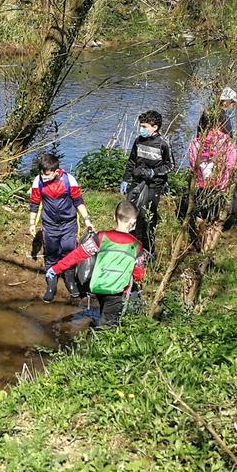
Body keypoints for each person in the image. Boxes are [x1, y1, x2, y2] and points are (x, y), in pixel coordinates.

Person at [46, 201, 146, 329]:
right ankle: (98, 341)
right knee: (108, 324)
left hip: (98, 287)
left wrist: (55, 269)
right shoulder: (136, 246)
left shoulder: (101, 237)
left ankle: (96, 328)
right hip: (116, 291)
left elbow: (77, 254)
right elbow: (139, 273)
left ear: (114, 218)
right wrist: (137, 280)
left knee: (103, 311)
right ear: (133, 222)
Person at [29, 153, 94, 302]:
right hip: (49, 225)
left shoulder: (68, 180)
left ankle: (69, 279)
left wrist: (87, 221)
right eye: (42, 174)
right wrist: (32, 223)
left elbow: (78, 202)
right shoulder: (38, 182)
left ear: (56, 171)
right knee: (51, 252)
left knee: (69, 250)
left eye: (47, 174)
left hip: (69, 224)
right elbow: (34, 203)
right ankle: (51, 282)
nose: (44, 177)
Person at [122, 110, 173, 269]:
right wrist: (125, 178)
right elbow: (131, 161)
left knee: (148, 217)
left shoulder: (163, 143)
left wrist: (154, 172)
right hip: (137, 182)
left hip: (154, 185)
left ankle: (149, 250)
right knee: (131, 214)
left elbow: (170, 165)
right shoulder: (138, 141)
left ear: (155, 127)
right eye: (140, 126)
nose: (141, 129)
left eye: (144, 126)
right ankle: (131, 246)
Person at [187, 111, 237, 251]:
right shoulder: (227, 143)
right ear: (221, 124)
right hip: (219, 188)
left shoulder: (197, 142)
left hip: (201, 187)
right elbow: (231, 165)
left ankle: (202, 243)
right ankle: (208, 249)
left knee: (201, 218)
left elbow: (192, 165)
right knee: (215, 220)